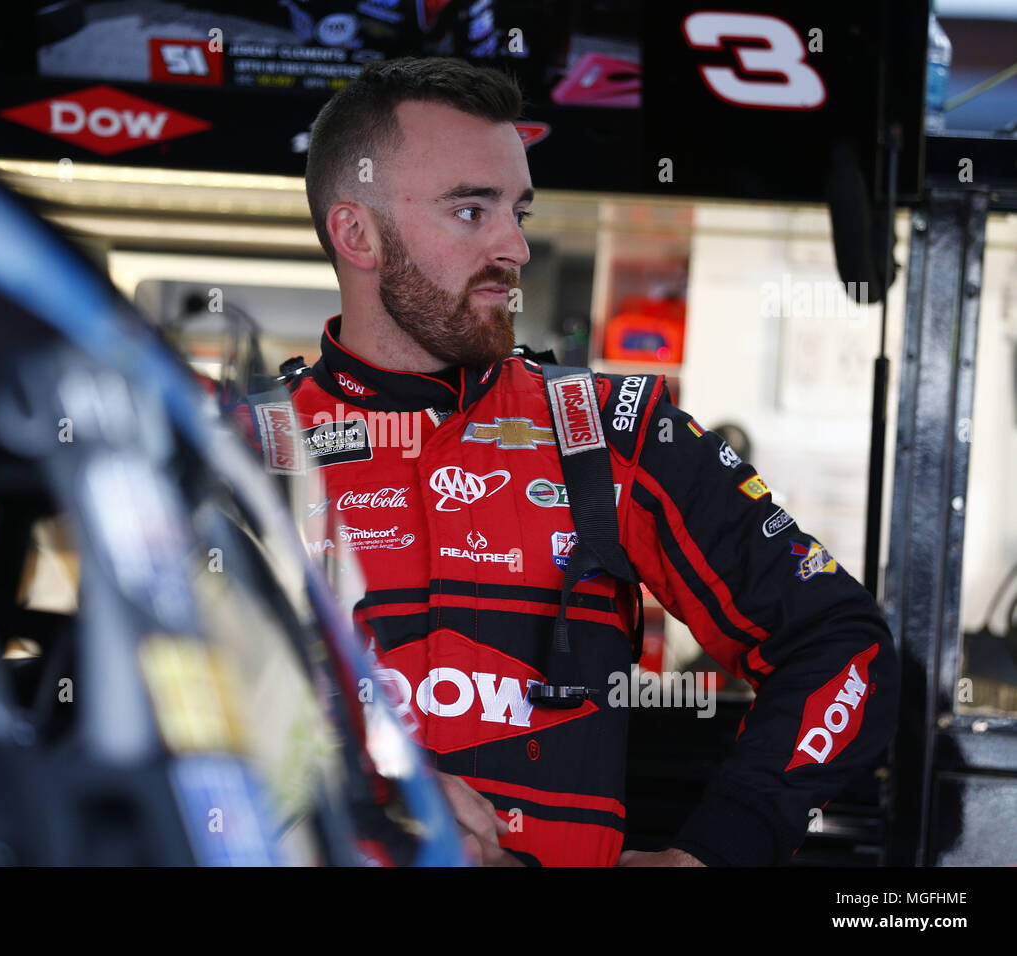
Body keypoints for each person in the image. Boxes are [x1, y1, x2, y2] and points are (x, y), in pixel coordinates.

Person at [243, 57, 898, 866]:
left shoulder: (613, 432)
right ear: (357, 234)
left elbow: (845, 647)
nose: (514, 245)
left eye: (517, 210)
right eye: (470, 210)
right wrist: (361, 792)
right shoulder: (236, 455)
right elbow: (138, 706)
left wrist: (718, 851)